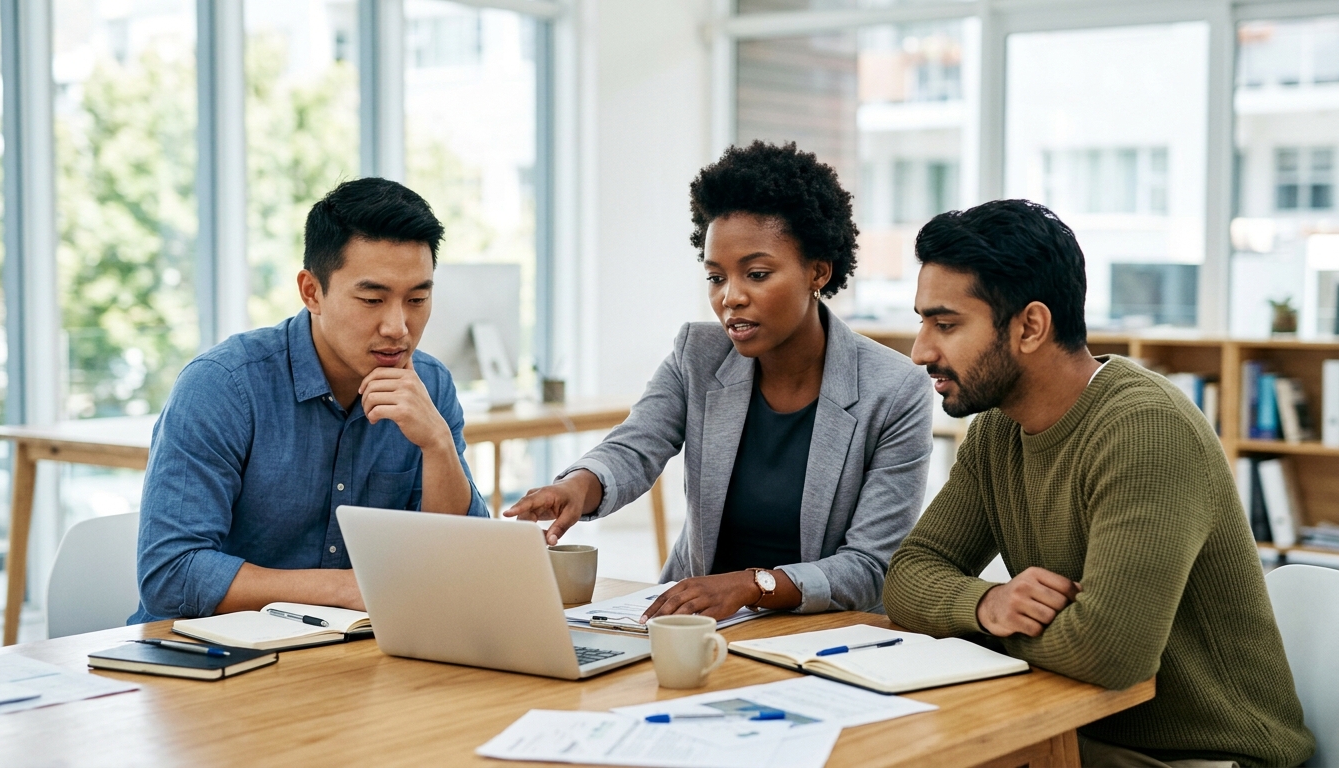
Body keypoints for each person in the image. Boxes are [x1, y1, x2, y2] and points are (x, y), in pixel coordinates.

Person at [881, 199, 1314, 767]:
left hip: (1206, 758)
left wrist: (966, 625)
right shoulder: (995, 433)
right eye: (922, 322)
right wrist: (987, 603)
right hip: (1078, 733)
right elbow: (908, 575)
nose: (921, 351)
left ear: (1031, 326)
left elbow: (1108, 653)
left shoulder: (1146, 430)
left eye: (945, 324)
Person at [506, 141, 932, 620]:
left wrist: (753, 586)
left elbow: (870, 566)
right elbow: (635, 447)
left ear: (818, 271)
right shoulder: (699, 355)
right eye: (715, 277)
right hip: (693, 624)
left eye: (755, 273)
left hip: (821, 636)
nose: (731, 297)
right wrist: (577, 488)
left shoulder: (894, 390)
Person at [131, 178, 488, 623]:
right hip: (206, 659)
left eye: (417, 298)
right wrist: (342, 588)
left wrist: (437, 444)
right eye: (372, 299)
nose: (398, 326)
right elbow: (171, 576)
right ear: (311, 292)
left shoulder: (429, 386)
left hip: (351, 658)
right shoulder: (223, 386)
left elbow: (460, 565)